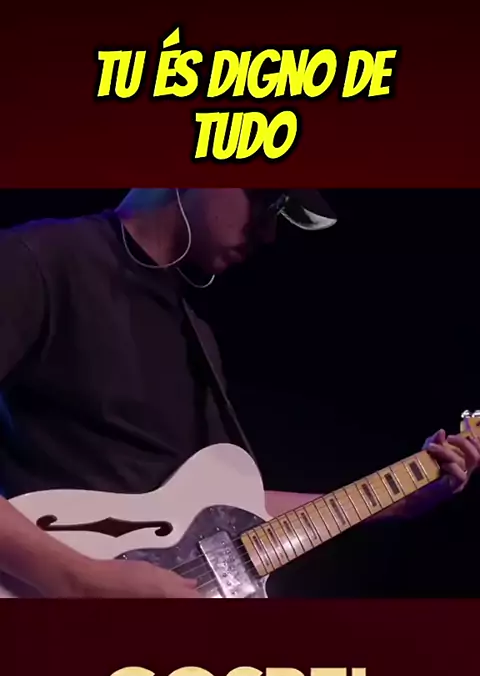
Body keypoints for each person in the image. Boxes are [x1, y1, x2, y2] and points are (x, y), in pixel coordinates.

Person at [0, 188, 478, 598]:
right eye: (267, 201)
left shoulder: (196, 335)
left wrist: (399, 498)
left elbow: (227, 511)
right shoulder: (41, 259)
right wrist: (81, 580)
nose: (268, 233)